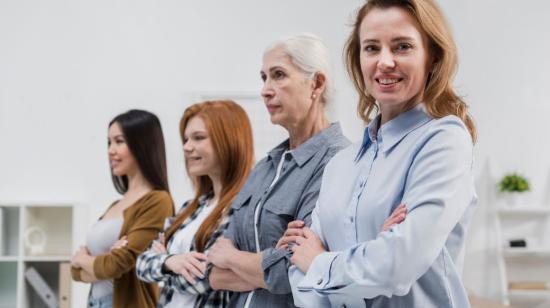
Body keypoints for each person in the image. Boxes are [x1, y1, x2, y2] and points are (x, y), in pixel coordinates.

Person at [285, 1, 478, 307]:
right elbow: (298, 277)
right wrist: (371, 255)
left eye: (402, 47)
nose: (385, 62)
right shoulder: (340, 165)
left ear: (432, 57)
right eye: (372, 48)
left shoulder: (443, 140)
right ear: (358, 59)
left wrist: (321, 263)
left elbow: (395, 267)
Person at [206, 33, 350, 308]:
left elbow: (298, 269)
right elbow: (213, 268)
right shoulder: (265, 167)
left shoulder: (339, 162)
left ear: (316, 84)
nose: (265, 89)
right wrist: (262, 265)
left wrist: (233, 259)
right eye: (264, 77)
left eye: (279, 75)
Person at [135, 100, 255, 308]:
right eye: (186, 139)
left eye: (198, 138)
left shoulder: (243, 209)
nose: (187, 147)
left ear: (228, 141)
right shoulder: (189, 208)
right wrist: (169, 262)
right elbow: (141, 263)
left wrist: (164, 260)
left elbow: (204, 279)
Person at [71, 109, 174, 308]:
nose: (111, 150)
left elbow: (117, 264)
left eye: (119, 141)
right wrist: (96, 264)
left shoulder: (158, 201)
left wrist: (83, 259)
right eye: (109, 142)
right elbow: (75, 272)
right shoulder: (115, 205)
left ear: (141, 146)